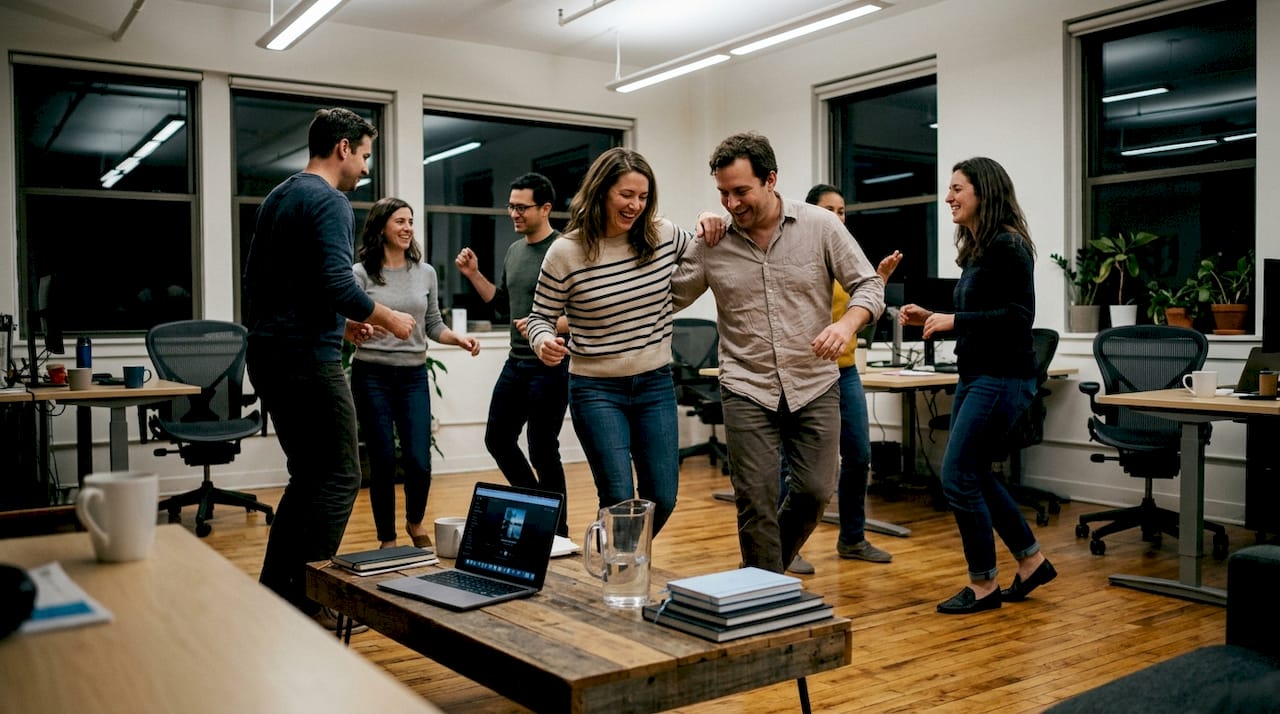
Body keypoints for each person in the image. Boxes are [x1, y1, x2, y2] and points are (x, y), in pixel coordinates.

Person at [671, 132, 884, 574]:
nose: (731, 204)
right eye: (723, 194)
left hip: (815, 383)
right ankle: (763, 597)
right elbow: (667, 295)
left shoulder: (821, 227)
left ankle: (762, 577)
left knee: (814, 491)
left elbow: (868, 284)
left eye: (741, 191)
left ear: (771, 180)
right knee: (756, 499)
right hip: (747, 387)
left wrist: (846, 324)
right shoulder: (713, 242)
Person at [243, 108, 416, 632]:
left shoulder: (281, 196)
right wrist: (390, 317)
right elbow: (340, 285)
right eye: (364, 155)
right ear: (343, 148)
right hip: (303, 360)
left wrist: (339, 327)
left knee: (311, 475)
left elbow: (285, 285)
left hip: (274, 351)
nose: (365, 167)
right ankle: (306, 599)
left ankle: (278, 593)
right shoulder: (330, 201)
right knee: (341, 475)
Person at [525, 147, 720, 538]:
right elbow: (539, 318)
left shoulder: (661, 235)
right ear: (601, 192)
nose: (635, 205)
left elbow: (704, 246)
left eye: (643, 197)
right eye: (626, 195)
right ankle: (620, 574)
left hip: (655, 385)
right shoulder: (566, 252)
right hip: (596, 390)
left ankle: (616, 556)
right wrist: (543, 340)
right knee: (618, 496)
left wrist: (705, 217)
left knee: (661, 498)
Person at [897, 156, 1056, 614]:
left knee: (958, 477)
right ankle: (1031, 561)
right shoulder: (980, 249)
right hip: (978, 373)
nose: (948, 197)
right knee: (975, 474)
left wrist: (953, 319)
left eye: (956, 188)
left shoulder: (1009, 246)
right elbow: (981, 312)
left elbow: (1017, 318)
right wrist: (936, 318)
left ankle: (983, 585)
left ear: (983, 192)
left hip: (1001, 377)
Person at [782, 184, 902, 575]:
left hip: (845, 371)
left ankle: (852, 537)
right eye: (829, 209)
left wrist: (879, 279)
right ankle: (787, 544)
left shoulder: (850, 257)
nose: (838, 216)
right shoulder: (802, 254)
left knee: (859, 456)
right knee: (795, 465)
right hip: (806, 373)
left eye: (843, 210)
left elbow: (863, 308)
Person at [353, 197, 479, 550]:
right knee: (381, 460)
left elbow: (433, 323)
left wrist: (459, 339)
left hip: (412, 376)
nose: (408, 228)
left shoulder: (425, 273)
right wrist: (361, 326)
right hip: (372, 375)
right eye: (400, 222)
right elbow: (349, 322)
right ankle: (387, 539)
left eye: (410, 221)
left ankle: (414, 522)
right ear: (381, 228)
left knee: (419, 461)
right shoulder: (361, 273)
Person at [455, 173, 572, 536]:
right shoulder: (514, 250)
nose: (514, 214)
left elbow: (584, 312)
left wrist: (546, 325)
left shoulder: (565, 250)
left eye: (521, 207)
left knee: (542, 449)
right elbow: (502, 302)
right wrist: (474, 275)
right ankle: (541, 508)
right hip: (516, 362)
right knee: (498, 440)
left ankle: (558, 531)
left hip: (550, 363)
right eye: (511, 206)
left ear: (546, 208)